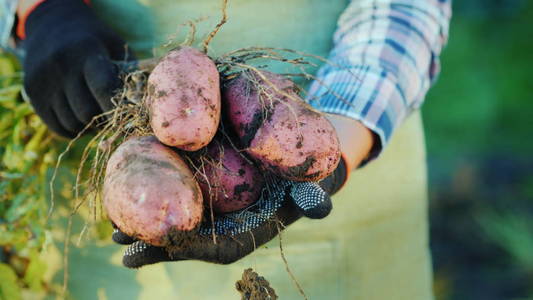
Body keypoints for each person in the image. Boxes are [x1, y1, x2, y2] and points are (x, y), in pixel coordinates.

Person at [5, 0, 451, 299]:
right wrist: (40, 11)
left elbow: (405, 9)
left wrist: (336, 135)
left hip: (339, 130)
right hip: (94, 194)